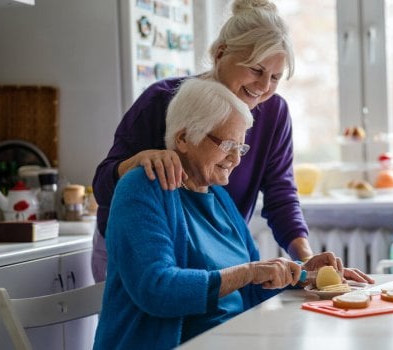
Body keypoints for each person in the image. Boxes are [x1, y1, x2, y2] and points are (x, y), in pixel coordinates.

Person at [91, 0, 373, 284]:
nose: (264, 86)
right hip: (141, 255)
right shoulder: (162, 100)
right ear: (221, 53)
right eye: (255, 69)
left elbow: (280, 195)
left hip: (210, 258)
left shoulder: (273, 113)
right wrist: (138, 161)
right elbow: (103, 186)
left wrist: (305, 259)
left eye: (275, 77)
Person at [93, 78, 344, 349]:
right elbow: (156, 289)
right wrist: (249, 272)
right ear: (184, 138)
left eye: (241, 147)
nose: (236, 159)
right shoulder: (143, 188)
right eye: (226, 145)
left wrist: (304, 275)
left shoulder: (220, 198)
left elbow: (253, 287)